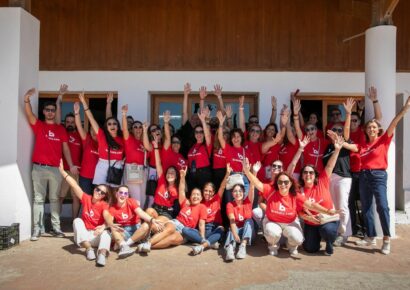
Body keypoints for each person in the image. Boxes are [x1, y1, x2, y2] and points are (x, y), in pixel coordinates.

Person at [355, 94, 410, 255]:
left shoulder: (384, 140)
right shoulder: (363, 145)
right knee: (366, 207)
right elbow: (350, 146)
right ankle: (370, 236)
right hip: (364, 175)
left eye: (374, 127)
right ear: (365, 130)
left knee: (383, 206)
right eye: (369, 127)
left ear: (378, 130)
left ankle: (386, 238)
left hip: (378, 175)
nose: (371, 129)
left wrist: (404, 110)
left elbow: (393, 123)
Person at [24, 88, 78, 241]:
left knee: (54, 199)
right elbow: (29, 114)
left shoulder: (60, 129)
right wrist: (26, 99)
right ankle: (37, 229)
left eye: (52, 110)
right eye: (47, 110)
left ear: (55, 112)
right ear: (44, 112)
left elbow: (66, 149)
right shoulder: (39, 125)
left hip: (55, 170)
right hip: (38, 167)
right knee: (39, 199)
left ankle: (56, 227)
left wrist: (71, 164)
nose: (50, 112)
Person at [290, 134, 344, 256]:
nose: (308, 175)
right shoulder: (299, 190)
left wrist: (337, 150)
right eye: (305, 172)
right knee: (309, 248)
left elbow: (330, 165)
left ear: (315, 175)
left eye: (311, 172)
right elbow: (300, 211)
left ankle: (329, 244)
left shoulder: (322, 181)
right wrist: (306, 218)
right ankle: (317, 237)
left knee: (327, 230)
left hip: (327, 220)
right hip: (311, 223)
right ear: (302, 175)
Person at [138, 167, 208, 251]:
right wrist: (182, 176)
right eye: (193, 194)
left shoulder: (202, 207)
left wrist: (202, 239)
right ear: (190, 196)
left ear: (201, 198)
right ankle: (148, 242)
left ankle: (147, 245)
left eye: (198, 195)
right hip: (176, 222)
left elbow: (201, 224)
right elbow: (181, 190)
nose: (195, 196)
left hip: (185, 230)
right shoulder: (185, 203)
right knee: (169, 228)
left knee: (171, 239)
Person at [58, 160, 112, 267]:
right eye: (98, 189)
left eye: (102, 192)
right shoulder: (86, 198)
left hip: (96, 235)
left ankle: (101, 254)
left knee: (107, 233)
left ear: (104, 196)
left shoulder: (104, 205)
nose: (99, 192)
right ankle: (89, 249)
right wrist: (63, 172)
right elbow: (74, 185)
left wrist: (103, 227)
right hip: (84, 237)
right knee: (77, 220)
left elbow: (109, 218)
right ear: (94, 190)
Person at [79, 93, 124, 186]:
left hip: (117, 167)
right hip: (102, 166)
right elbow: (91, 118)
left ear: (118, 126)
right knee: (101, 192)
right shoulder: (102, 135)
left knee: (114, 194)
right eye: (109, 124)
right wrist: (83, 102)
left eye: (114, 124)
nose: (112, 125)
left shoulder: (122, 138)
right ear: (106, 127)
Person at [107, 185, 163, 259]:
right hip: (125, 231)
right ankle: (126, 244)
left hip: (137, 228)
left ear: (127, 196)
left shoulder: (131, 201)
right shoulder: (112, 208)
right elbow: (110, 221)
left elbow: (140, 212)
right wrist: (108, 225)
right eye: (121, 192)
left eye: (125, 193)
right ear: (116, 194)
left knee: (146, 225)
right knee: (113, 228)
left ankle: (126, 245)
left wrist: (151, 220)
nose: (123, 195)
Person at [190, 164, 231, 255]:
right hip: (204, 228)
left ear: (213, 193)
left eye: (210, 191)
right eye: (205, 190)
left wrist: (227, 173)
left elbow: (222, 186)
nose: (207, 193)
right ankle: (210, 243)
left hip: (216, 227)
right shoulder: (200, 202)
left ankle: (202, 245)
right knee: (186, 230)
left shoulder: (217, 198)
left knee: (221, 229)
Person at [224, 160, 255, 262]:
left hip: (247, 232)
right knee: (230, 229)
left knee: (249, 221)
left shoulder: (248, 201)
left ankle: (243, 246)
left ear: (243, 192)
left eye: (240, 191)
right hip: (236, 230)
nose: (238, 193)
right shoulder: (230, 204)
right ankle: (230, 248)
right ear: (232, 194)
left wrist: (253, 172)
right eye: (235, 191)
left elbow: (252, 187)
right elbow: (232, 221)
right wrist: (235, 234)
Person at [293, 97, 329, 173]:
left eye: (312, 129)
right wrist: (296, 114)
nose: (310, 131)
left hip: (320, 174)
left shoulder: (324, 142)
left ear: (316, 130)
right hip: (307, 174)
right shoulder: (304, 140)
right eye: (307, 130)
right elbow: (297, 129)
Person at [121, 104, 147, 205]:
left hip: (143, 170)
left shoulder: (143, 142)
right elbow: (124, 129)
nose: (138, 129)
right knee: (137, 198)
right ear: (132, 129)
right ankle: (137, 219)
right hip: (132, 169)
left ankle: (140, 218)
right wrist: (124, 114)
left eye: (140, 127)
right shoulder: (129, 140)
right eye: (135, 127)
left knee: (143, 196)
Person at [73, 102, 99, 196]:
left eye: (95, 130)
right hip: (85, 177)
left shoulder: (103, 142)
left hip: (98, 178)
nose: (93, 132)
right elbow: (79, 126)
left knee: (97, 201)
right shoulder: (87, 139)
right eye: (91, 130)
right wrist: (77, 113)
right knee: (86, 200)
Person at [187, 99, 213, 192]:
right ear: (194, 134)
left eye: (201, 131)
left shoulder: (207, 145)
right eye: (197, 132)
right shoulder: (191, 146)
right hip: (192, 174)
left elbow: (207, 135)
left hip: (204, 174)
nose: (199, 134)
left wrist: (203, 120)